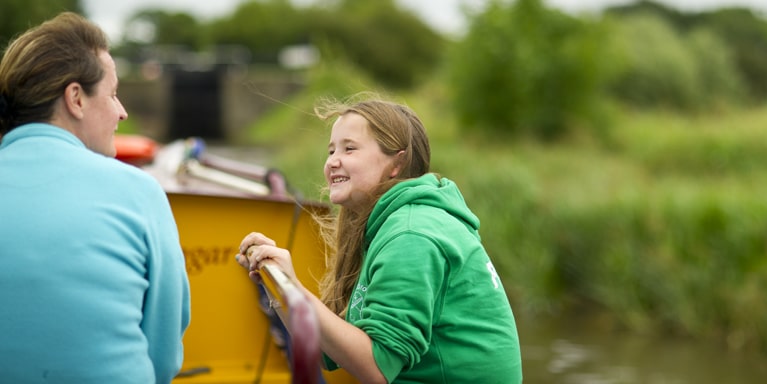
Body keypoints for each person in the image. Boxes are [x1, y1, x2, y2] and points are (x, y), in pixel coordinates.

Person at [235, 94, 522, 383]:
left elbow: (376, 367)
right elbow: (328, 352)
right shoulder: (391, 225)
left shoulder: (411, 235)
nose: (333, 161)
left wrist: (294, 288)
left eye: (349, 149)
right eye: (331, 150)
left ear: (396, 164)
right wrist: (277, 288)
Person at [0, 12, 190, 383]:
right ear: (76, 98)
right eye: (113, 93)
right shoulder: (139, 193)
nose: (122, 112)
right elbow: (163, 359)